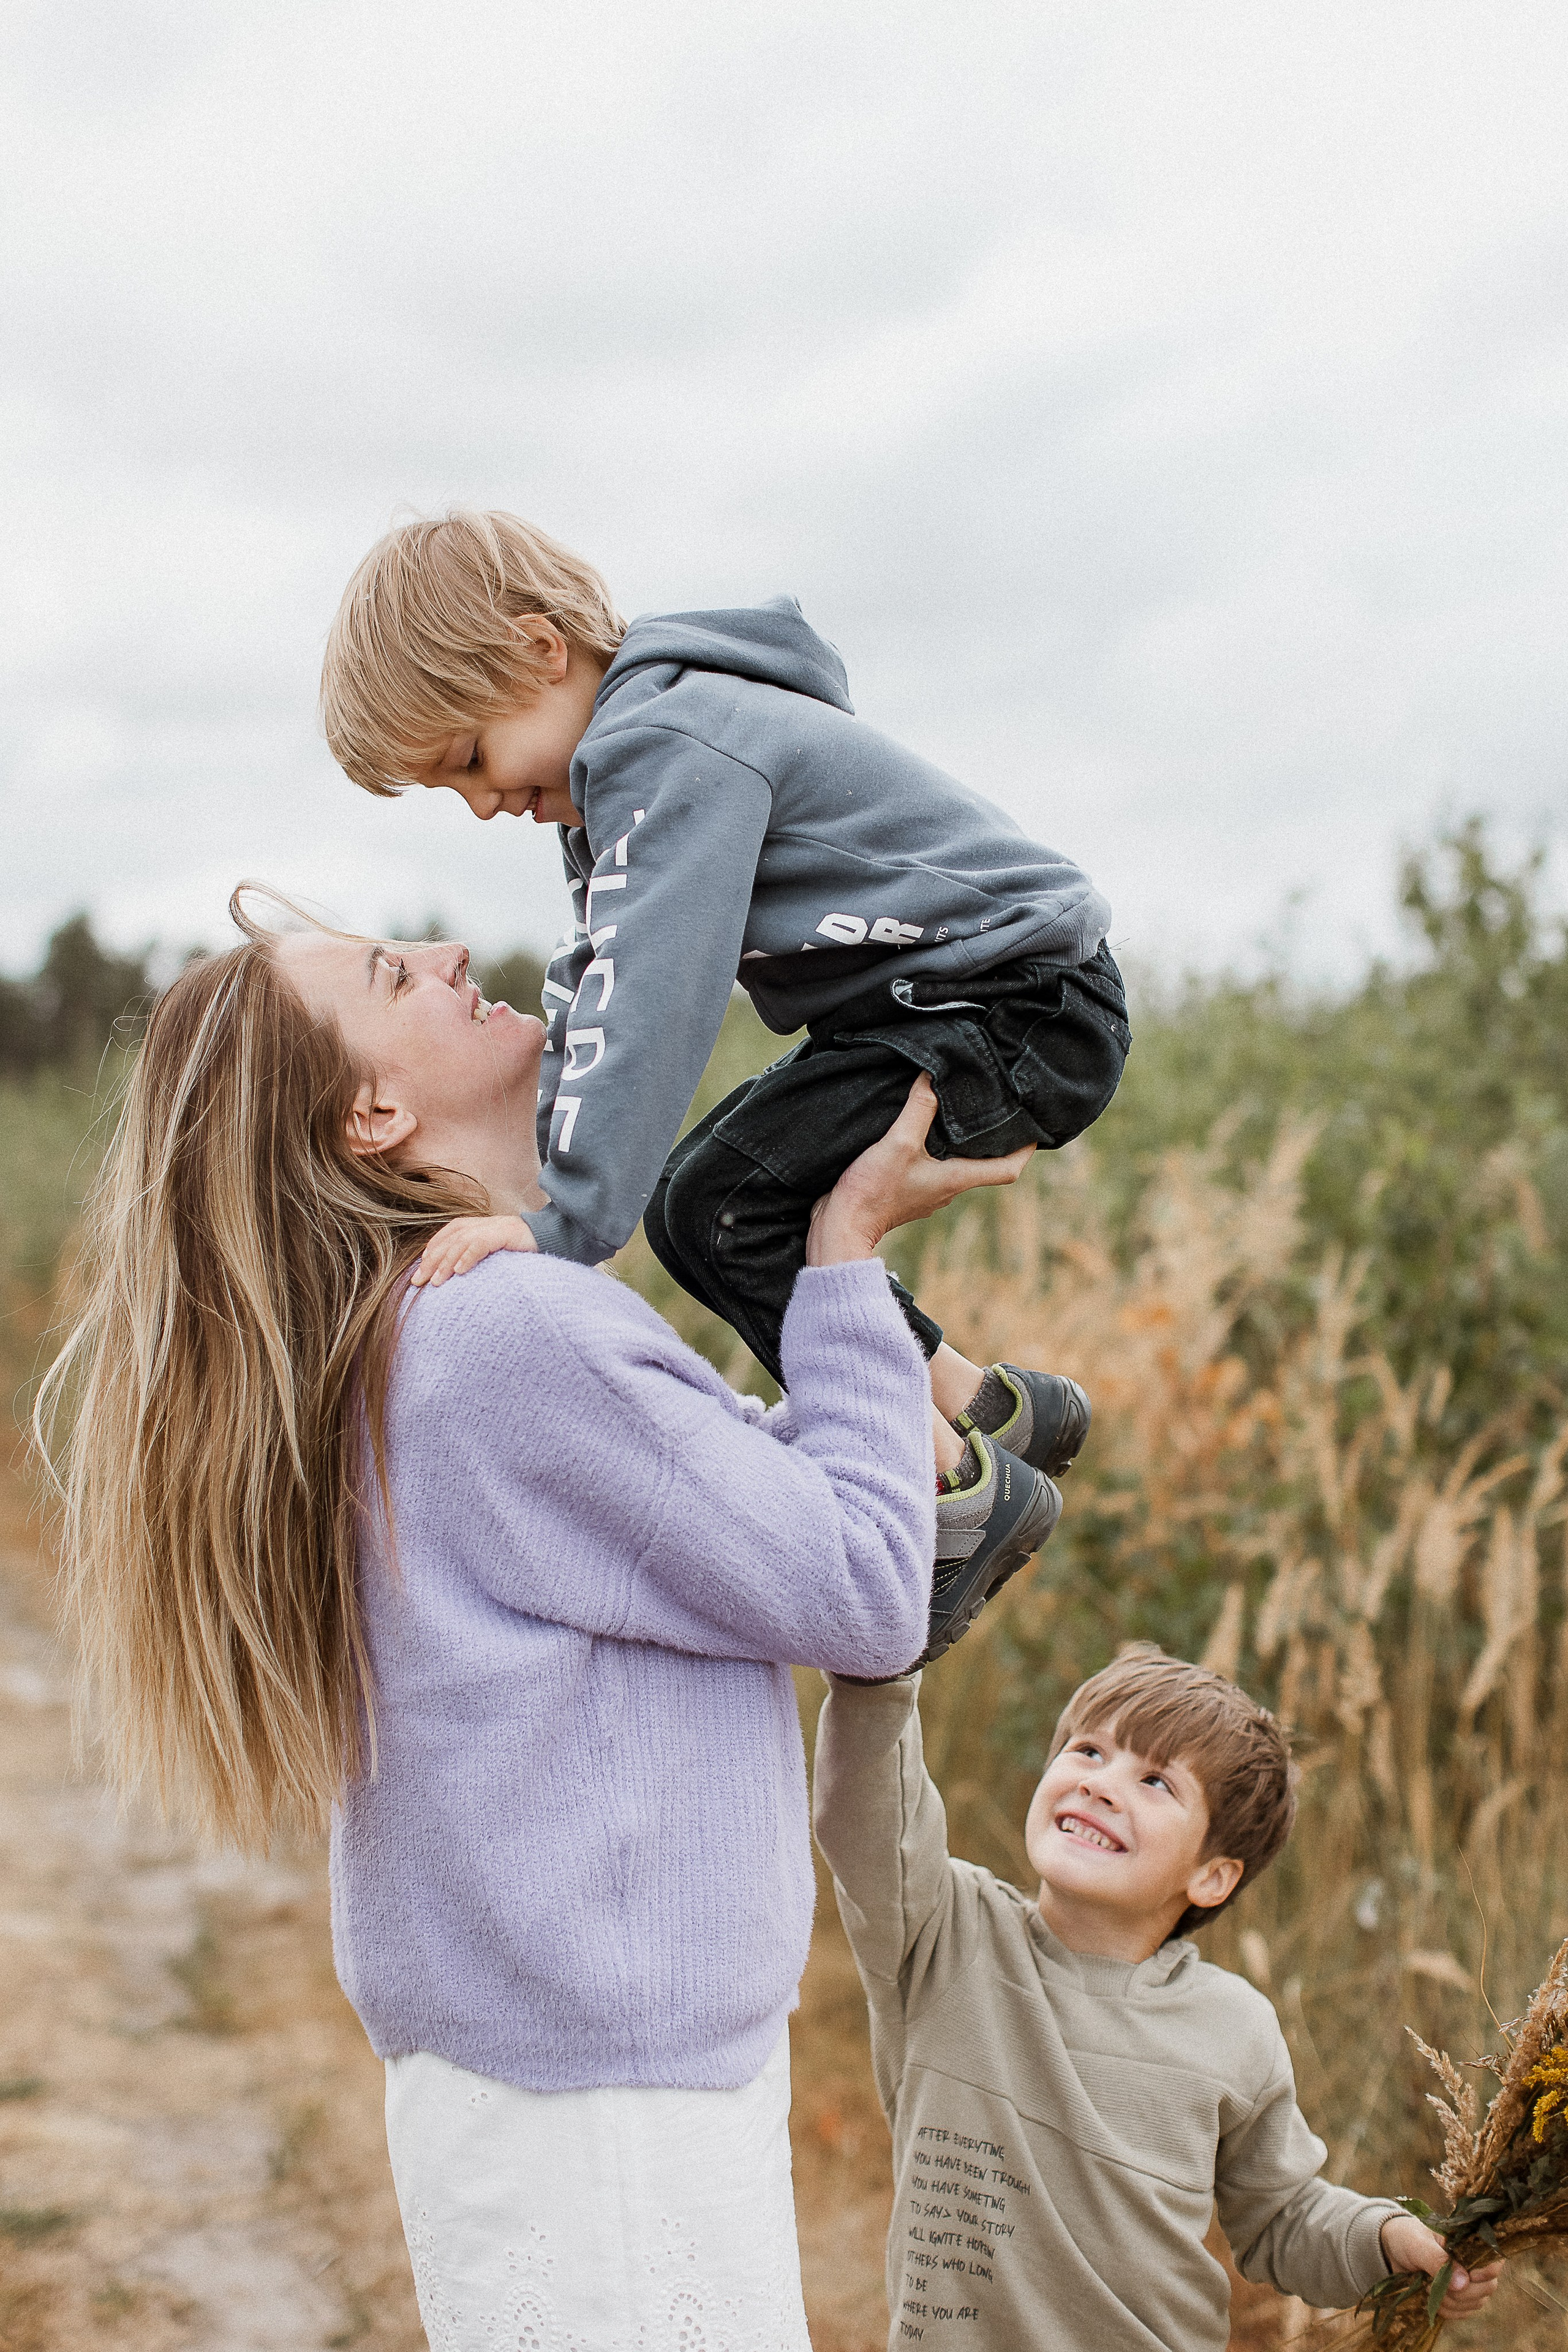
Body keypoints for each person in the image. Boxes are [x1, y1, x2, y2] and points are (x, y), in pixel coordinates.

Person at [37, 888, 1038, 2352]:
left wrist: (856, 1417)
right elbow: (864, 1592)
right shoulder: (502, 1334)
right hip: (613, 2123)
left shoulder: (413, 1335)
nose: (450, 954)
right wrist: (842, 1254)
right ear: (371, 1111)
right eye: (394, 972)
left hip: (545, 2092)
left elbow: (687, 1513)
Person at [320, 510, 1133, 1662]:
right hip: (948, 1007)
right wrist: (536, 1153)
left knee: (715, 1210)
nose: (484, 804)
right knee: (713, 1201)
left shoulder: (669, 747)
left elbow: (653, 995)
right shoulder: (632, 768)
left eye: (467, 760)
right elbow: (596, 979)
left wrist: (563, 1226)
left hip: (1022, 1005)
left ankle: (957, 1485)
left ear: (541, 651)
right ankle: (986, 1406)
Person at [812, 1646, 1503, 2351]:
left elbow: (1282, 2219)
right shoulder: (943, 1935)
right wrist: (883, 1661)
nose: (1101, 1785)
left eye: (1155, 1782)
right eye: (1086, 1750)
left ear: (1211, 1876)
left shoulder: (1233, 2028)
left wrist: (1385, 2240)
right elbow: (868, 1814)